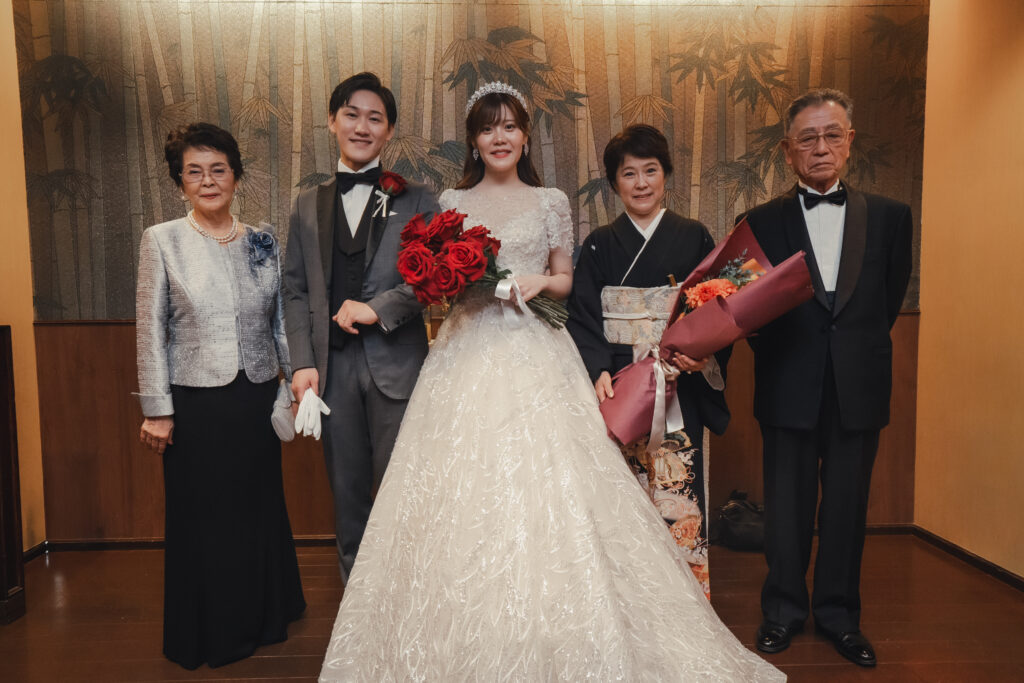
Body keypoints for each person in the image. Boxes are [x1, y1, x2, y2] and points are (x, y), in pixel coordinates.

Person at [318, 83, 783, 682]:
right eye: (489, 128)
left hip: (536, 346)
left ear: (524, 137)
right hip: (467, 348)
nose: (500, 137)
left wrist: (539, 283)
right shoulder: (451, 199)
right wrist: (453, 278)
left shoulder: (550, 201)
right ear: (475, 140)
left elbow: (566, 279)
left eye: (511, 127)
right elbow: (432, 286)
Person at [738, 89, 912, 668]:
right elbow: (749, 313)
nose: (821, 148)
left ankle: (840, 616)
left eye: (832, 135)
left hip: (858, 385)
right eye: (807, 138)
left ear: (850, 142)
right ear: (788, 151)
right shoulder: (758, 222)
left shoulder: (890, 217)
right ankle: (782, 612)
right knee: (785, 510)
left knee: (846, 508)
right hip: (788, 382)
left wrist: (847, 351)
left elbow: (887, 300)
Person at [135, 123, 305, 669]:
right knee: (206, 519)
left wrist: (294, 381)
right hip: (196, 403)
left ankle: (266, 619)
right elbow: (150, 329)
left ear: (235, 176)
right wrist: (157, 410)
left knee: (258, 510)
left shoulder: (261, 240)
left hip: (255, 396)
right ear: (180, 182)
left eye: (218, 170)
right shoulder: (162, 239)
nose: (208, 181)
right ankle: (215, 632)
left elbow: (279, 320)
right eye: (195, 172)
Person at [282, 73, 441, 580]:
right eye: (351, 115)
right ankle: (356, 601)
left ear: (388, 131)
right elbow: (294, 290)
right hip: (331, 370)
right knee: (347, 494)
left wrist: (379, 308)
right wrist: (301, 363)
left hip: (398, 365)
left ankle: (408, 595)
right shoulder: (306, 205)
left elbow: (435, 277)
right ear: (333, 121)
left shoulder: (418, 198)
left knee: (403, 490)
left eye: (375, 118)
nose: (362, 127)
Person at [567, 124, 730, 598]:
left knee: (680, 487)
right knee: (622, 494)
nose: (641, 183)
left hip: (679, 377)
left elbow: (715, 304)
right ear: (614, 183)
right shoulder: (599, 243)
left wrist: (704, 354)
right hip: (619, 382)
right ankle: (628, 598)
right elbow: (583, 314)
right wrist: (597, 368)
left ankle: (686, 597)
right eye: (629, 174)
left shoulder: (694, 236)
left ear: (666, 175)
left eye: (650, 171)